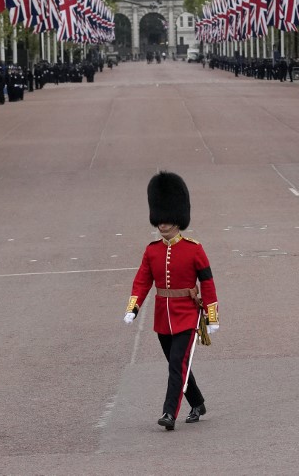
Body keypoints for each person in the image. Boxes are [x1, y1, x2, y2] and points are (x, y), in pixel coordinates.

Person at [123, 171, 219, 431]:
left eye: (167, 221)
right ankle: (197, 402)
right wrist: (133, 307)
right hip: (162, 319)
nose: (162, 225)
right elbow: (142, 281)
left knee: (177, 364)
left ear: (178, 220)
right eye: (159, 221)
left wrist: (211, 316)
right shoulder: (152, 251)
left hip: (188, 315)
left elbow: (207, 282)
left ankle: (168, 412)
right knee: (178, 364)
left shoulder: (194, 248)